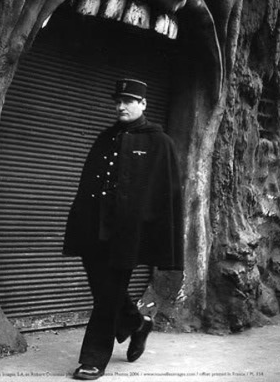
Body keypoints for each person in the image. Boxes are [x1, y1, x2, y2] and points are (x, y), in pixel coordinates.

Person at [63, 78, 183, 381]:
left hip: (127, 234)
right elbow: (88, 185)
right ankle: (137, 323)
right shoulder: (106, 137)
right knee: (104, 289)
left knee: (107, 296)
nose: (121, 106)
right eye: (118, 100)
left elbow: (166, 195)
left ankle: (93, 360)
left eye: (129, 101)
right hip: (95, 229)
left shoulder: (160, 142)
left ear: (143, 104)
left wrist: (151, 233)